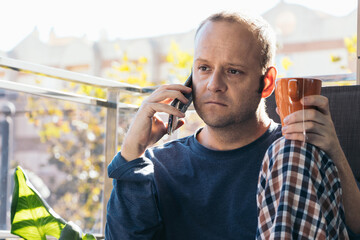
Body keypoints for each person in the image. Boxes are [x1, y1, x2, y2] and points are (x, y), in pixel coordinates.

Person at [105, 11, 360, 239]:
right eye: (204, 68)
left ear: (268, 83)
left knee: (290, 151)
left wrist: (334, 153)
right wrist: (131, 153)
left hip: (293, 158)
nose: (213, 84)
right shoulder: (158, 165)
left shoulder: (298, 154)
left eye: (233, 71)